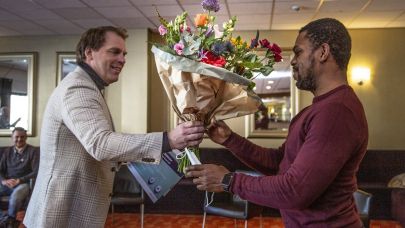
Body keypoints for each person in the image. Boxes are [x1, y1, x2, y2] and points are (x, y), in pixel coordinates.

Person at [186, 18, 368, 227]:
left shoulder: (337, 112)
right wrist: (229, 139)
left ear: (323, 52)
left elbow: (295, 191)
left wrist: (228, 181)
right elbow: (278, 163)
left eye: (298, 52)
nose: (292, 60)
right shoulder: (319, 109)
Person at [23, 26, 205, 227]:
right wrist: (167, 140)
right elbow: (100, 144)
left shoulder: (88, 86)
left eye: (124, 54)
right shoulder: (78, 88)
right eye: (114, 51)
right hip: (62, 211)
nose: (122, 59)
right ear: (89, 53)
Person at [0, 127, 39, 227]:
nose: (19, 139)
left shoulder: (33, 151)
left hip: (23, 183)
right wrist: (4, 180)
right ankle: (4, 218)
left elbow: (36, 171)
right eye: (16, 137)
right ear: (12, 137)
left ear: (26, 137)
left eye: (22, 137)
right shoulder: (7, 151)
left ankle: (11, 220)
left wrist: (20, 180)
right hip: (8, 183)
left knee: (15, 196)